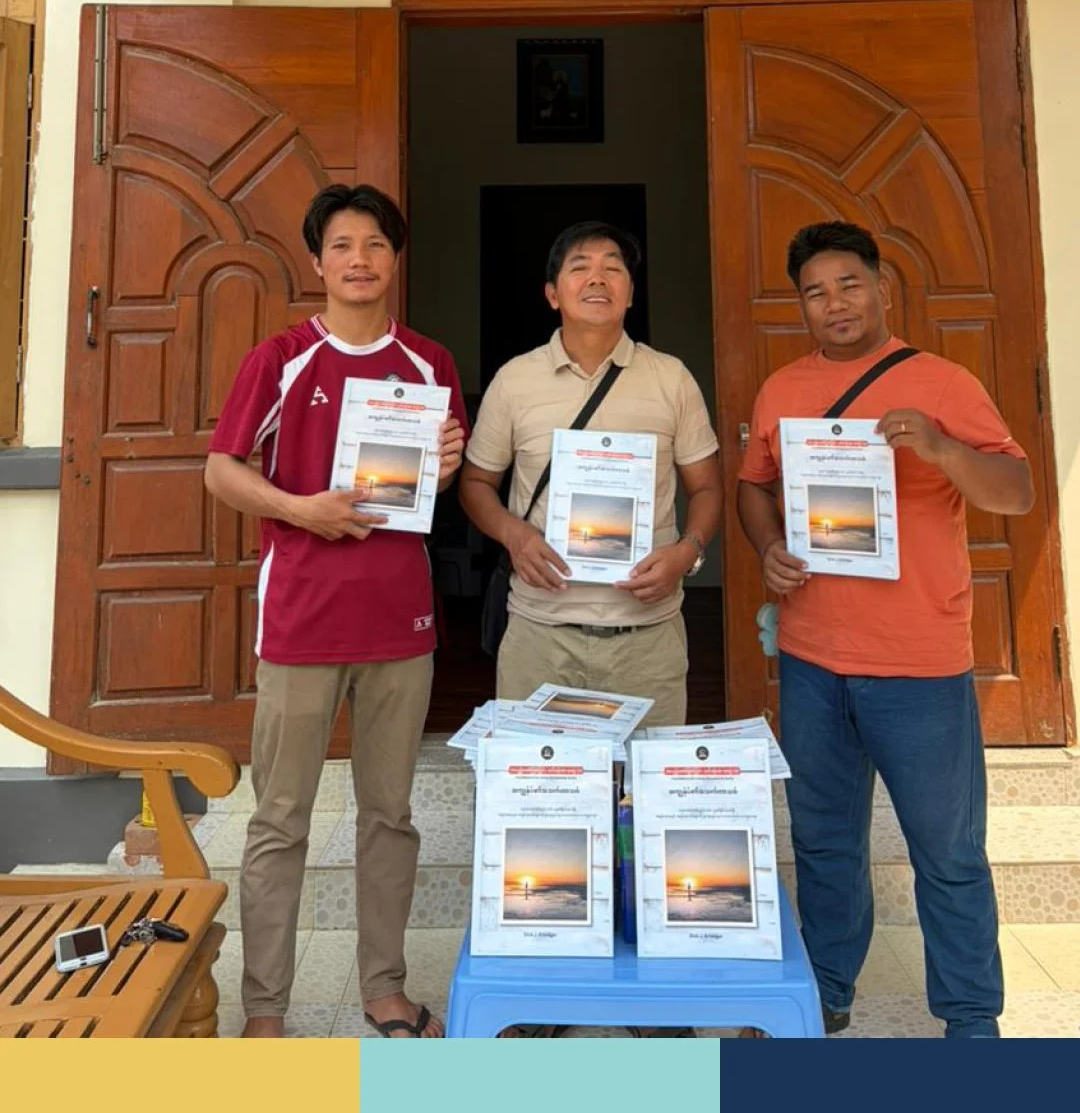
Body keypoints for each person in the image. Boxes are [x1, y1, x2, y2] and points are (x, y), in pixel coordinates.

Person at [737, 220, 1034, 1039]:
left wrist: (939, 448)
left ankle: (972, 1023)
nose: (834, 303)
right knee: (826, 844)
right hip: (811, 658)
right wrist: (768, 548)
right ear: (801, 305)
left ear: (882, 286)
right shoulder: (782, 391)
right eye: (815, 292)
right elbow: (753, 486)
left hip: (921, 666)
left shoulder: (943, 382)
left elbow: (1016, 490)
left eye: (848, 284)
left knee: (948, 855)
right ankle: (826, 994)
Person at [204, 184, 467, 1039]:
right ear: (319, 262)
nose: (361, 260)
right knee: (280, 818)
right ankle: (266, 1008)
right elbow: (222, 470)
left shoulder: (429, 364)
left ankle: (384, 988)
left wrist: (449, 462)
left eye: (377, 246)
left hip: (401, 625)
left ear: (395, 259)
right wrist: (299, 507)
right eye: (344, 246)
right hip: (302, 623)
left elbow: (430, 489)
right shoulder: (280, 357)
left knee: (390, 816)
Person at [459, 220, 723, 727]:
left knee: (641, 797)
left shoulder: (672, 378)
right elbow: (474, 485)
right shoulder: (515, 380)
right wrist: (513, 535)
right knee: (540, 794)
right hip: (540, 632)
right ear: (552, 294)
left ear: (630, 293)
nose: (597, 279)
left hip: (647, 636)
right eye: (580, 268)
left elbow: (707, 486)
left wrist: (688, 552)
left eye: (613, 269)